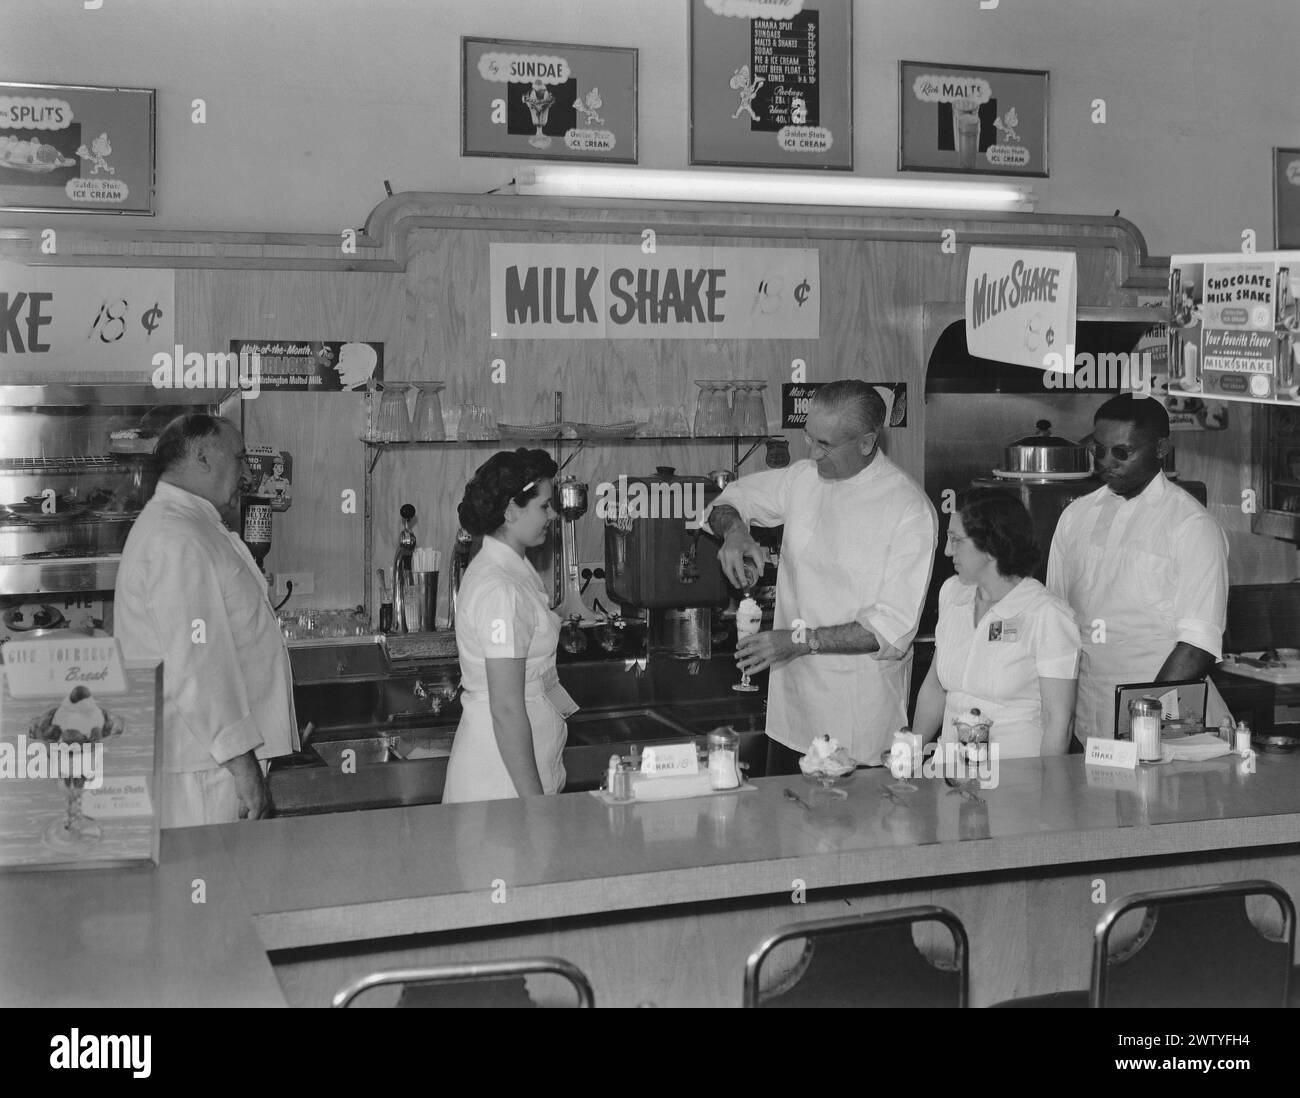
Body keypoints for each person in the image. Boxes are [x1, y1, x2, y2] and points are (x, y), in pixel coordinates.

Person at [703, 380, 938, 773]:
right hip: (789, 718)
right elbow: (728, 502)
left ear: (866, 442)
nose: (811, 453)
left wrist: (798, 641)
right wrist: (736, 531)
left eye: (824, 445)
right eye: (808, 437)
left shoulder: (908, 509)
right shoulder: (803, 478)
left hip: (856, 729)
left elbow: (889, 630)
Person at [113, 414, 298, 827]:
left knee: (221, 886)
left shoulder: (190, 526)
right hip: (204, 768)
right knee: (214, 885)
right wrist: (241, 763)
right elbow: (197, 665)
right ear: (201, 457)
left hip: (209, 761)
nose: (248, 473)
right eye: (239, 457)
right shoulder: (176, 537)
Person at [1047, 393, 1231, 746]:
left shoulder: (1191, 525)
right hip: (1088, 723)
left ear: (1161, 449)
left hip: (1169, 722)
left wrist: (1141, 723)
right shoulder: (1075, 517)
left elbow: (1197, 646)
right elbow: (1056, 624)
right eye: (1099, 450)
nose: (1106, 462)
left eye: (1122, 452)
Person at [443, 448, 574, 802]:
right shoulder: (500, 587)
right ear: (512, 509)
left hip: (513, 781)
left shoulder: (513, 571)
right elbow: (506, 707)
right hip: (501, 786)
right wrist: (534, 805)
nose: (551, 515)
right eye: (544, 506)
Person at [912, 489, 1080, 758]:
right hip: (950, 773)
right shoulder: (952, 593)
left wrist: (1048, 793)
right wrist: (909, 751)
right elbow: (935, 685)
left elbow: (1058, 723)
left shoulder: (1047, 615)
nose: (946, 551)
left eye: (956, 540)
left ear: (991, 547)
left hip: (1017, 781)